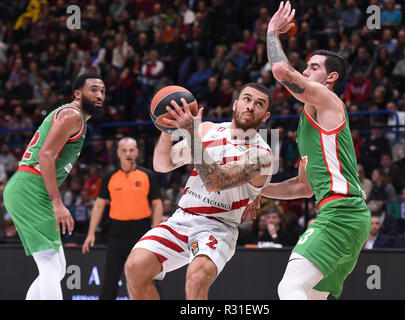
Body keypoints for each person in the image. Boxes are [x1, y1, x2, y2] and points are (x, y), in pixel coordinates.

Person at [258, 1, 370, 300]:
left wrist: (271, 31)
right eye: (306, 65)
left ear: (330, 78)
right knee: (309, 294)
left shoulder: (327, 100)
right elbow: (302, 187)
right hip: (346, 214)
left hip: (341, 212)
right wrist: (257, 189)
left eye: (314, 67)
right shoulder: (307, 123)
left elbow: (281, 70)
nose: (305, 71)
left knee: (290, 287)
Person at [124, 82, 273, 300]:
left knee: (196, 279)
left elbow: (216, 181)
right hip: (181, 218)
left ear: (266, 116)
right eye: (247, 99)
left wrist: (192, 134)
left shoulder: (262, 155)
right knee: (135, 267)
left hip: (218, 226)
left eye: (259, 104)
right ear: (235, 104)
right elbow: (162, 164)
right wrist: (168, 129)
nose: (251, 106)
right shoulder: (208, 130)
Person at [3, 73, 106, 300]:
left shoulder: (75, 118)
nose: (99, 95)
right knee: (49, 263)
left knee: (57, 267)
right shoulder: (72, 114)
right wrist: (57, 203)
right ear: (77, 94)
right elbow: (45, 155)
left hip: (28, 187)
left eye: (103, 92)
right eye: (94, 90)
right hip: (31, 187)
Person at [82, 137, 163, 300]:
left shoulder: (147, 176)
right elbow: (98, 206)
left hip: (142, 232)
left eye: (132, 150)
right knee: (110, 279)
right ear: (118, 153)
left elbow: (158, 204)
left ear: (137, 153)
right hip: (117, 232)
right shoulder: (110, 177)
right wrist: (91, 233)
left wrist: (155, 228)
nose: (128, 154)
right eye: (124, 150)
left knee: (148, 277)